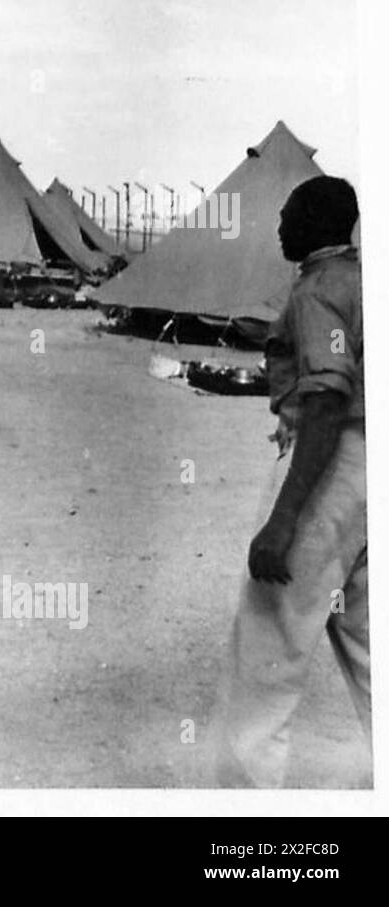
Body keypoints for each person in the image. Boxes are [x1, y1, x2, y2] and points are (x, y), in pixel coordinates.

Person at [213, 175, 367, 788]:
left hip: (334, 467)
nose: (278, 226)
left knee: (267, 652)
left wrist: (284, 520)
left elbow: (327, 402)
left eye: (287, 215)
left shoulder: (317, 292)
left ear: (315, 222)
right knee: (366, 641)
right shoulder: (363, 282)